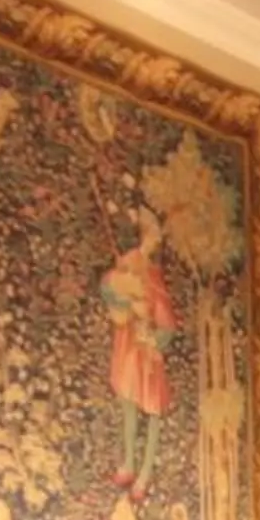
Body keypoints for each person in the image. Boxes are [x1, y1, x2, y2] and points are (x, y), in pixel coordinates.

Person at [100, 196, 177, 491]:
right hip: (129, 346)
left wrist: (157, 335)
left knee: (154, 406)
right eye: (154, 232)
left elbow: (166, 316)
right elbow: (110, 290)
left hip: (147, 346)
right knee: (129, 401)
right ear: (146, 232)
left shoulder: (153, 272)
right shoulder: (127, 263)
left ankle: (145, 472)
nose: (156, 239)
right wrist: (129, 303)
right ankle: (129, 462)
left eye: (157, 233)